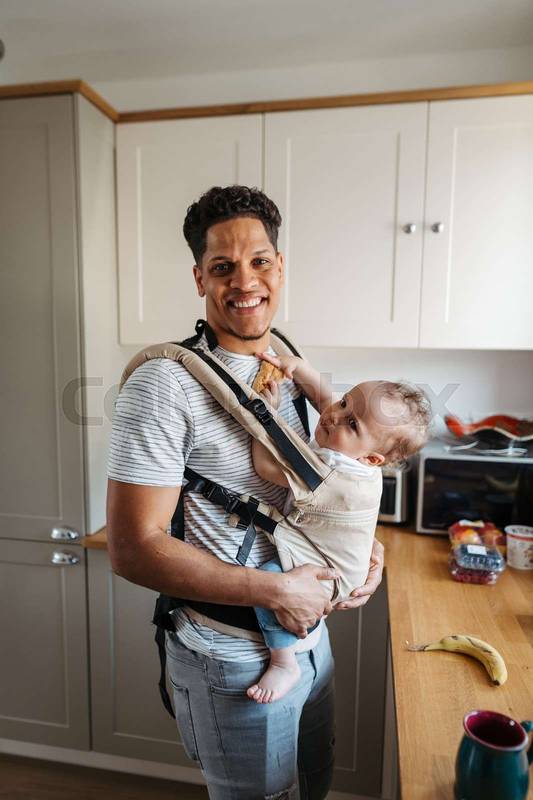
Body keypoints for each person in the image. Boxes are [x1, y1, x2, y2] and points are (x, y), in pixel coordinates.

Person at [106, 185, 385, 800]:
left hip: (310, 639)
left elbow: (330, 484)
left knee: (314, 786)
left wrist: (366, 547)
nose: (244, 281)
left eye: (259, 261)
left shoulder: (288, 362)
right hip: (232, 654)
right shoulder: (163, 385)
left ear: (279, 267)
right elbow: (131, 549)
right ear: (199, 277)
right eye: (223, 266)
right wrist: (276, 589)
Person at [247, 353, 431, 704]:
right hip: (344, 557)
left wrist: (264, 412)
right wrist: (299, 368)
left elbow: (265, 465)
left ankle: (283, 661)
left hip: (332, 574)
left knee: (271, 577)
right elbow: (328, 402)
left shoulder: (329, 471)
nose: (334, 415)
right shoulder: (354, 453)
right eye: (345, 401)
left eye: (352, 424)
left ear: (371, 458)